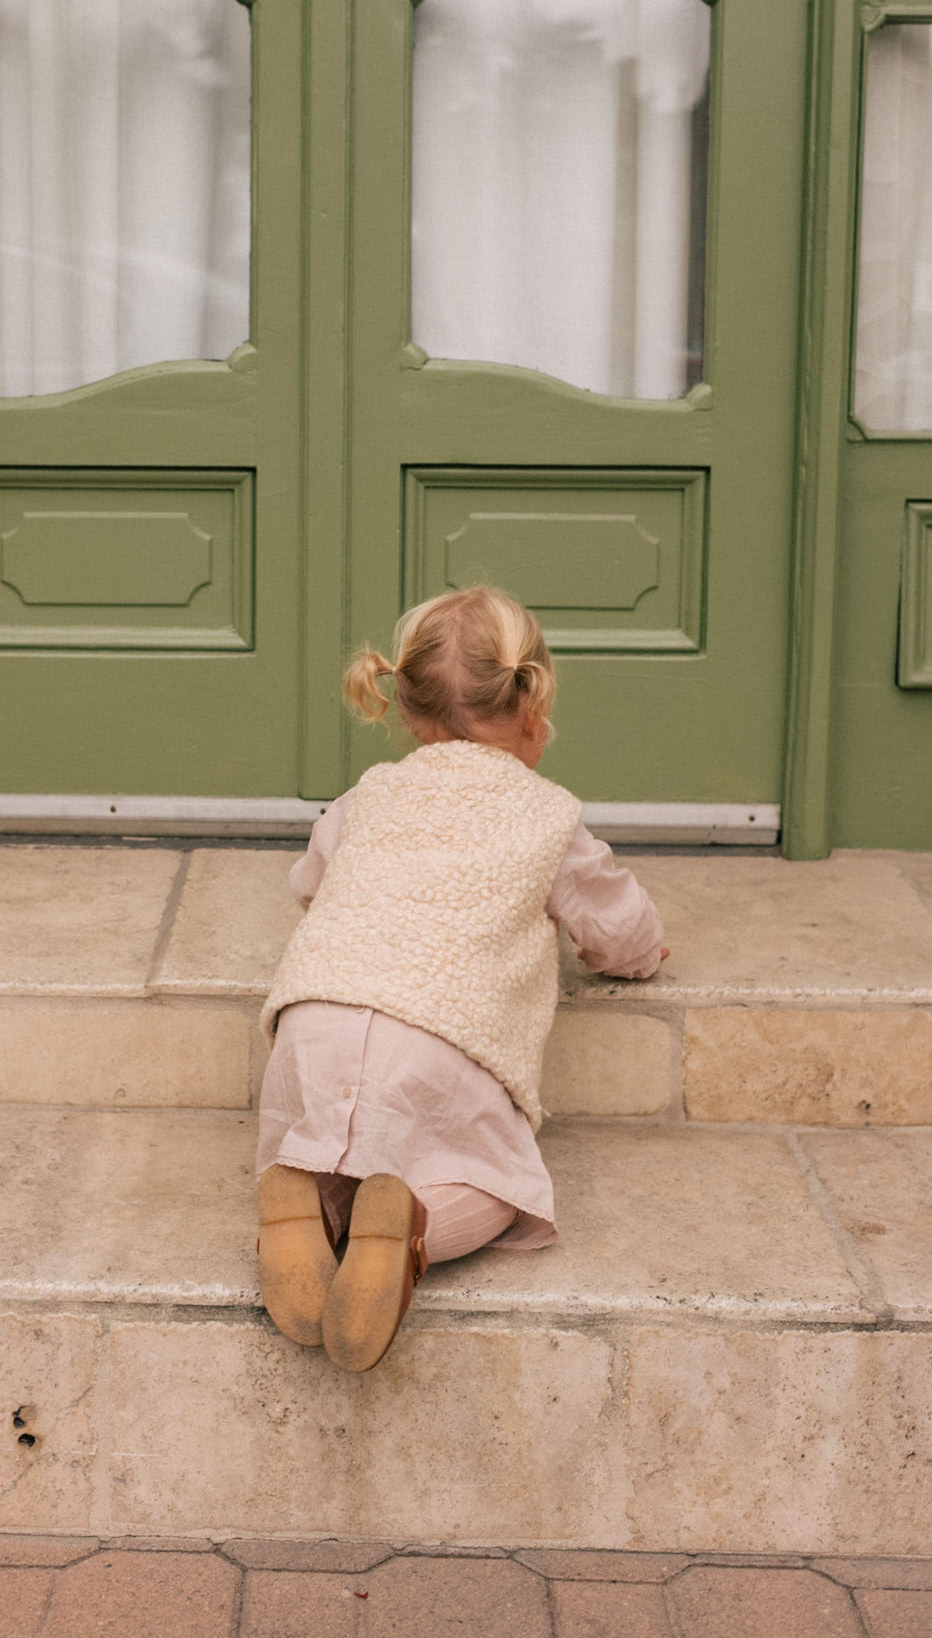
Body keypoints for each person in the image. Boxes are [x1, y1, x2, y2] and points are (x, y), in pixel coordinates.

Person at [255, 585, 668, 1373]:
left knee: (329, 1149)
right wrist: (641, 955)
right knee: (495, 1187)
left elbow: (312, 882)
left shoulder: (370, 793)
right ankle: (409, 1228)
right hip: (442, 1035)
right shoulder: (549, 816)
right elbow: (619, 926)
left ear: (406, 709)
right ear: (532, 705)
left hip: (315, 1018)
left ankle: (306, 1197)